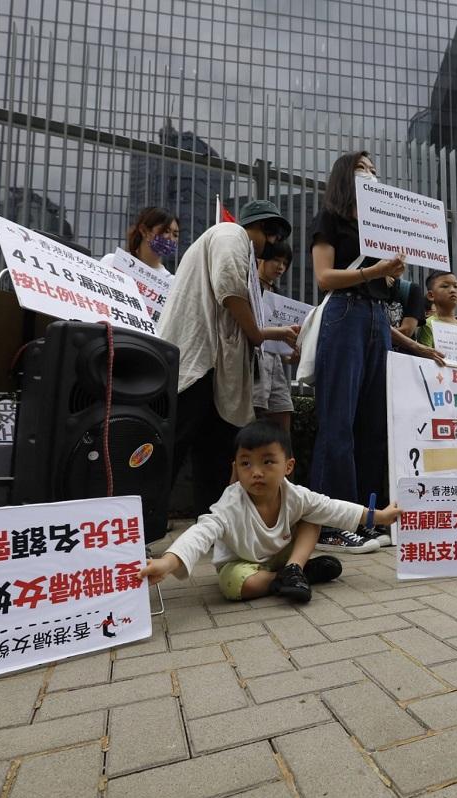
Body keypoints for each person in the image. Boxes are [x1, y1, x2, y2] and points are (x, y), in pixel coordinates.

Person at [140, 421, 403, 603]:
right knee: (239, 586)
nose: (256, 471)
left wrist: (378, 516)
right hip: (242, 563)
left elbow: (331, 506)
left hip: (282, 555)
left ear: (288, 466)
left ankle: (293, 569)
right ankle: (297, 575)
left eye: (267, 462)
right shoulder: (231, 503)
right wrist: (168, 562)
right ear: (236, 468)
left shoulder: (295, 494)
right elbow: (201, 532)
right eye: (246, 463)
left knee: (313, 515)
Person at [158, 200, 300, 517]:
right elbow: (230, 290)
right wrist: (261, 335)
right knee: (177, 444)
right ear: (263, 228)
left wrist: (273, 332)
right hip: (199, 362)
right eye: (272, 235)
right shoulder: (231, 233)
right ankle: (141, 524)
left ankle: (214, 526)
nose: (273, 245)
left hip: (213, 369)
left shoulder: (241, 252)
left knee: (214, 450)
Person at [310, 151, 407, 552]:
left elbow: (385, 287)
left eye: (374, 170)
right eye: (364, 169)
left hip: (375, 317)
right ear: (346, 174)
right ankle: (332, 523)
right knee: (339, 421)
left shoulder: (379, 226)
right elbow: (324, 277)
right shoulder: (330, 218)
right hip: (344, 313)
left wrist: (390, 275)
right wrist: (374, 271)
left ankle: (367, 519)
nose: (372, 175)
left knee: (372, 424)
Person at [253, 241, 297, 432]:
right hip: (254, 360)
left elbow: (279, 347)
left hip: (275, 365)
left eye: (285, 263)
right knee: (254, 415)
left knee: (283, 412)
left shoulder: (278, 296)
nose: (280, 267)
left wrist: (292, 357)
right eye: (276, 260)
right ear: (261, 259)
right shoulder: (250, 287)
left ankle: (283, 460)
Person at [100, 206, 180, 277]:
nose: (171, 238)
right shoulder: (112, 261)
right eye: (166, 231)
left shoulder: (170, 281)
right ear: (144, 231)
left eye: (175, 235)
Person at [387, 275, 445, 364]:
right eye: (444, 286)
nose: (452, 290)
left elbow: (407, 331)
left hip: (401, 363)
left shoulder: (409, 289)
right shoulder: (430, 323)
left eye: (456, 286)